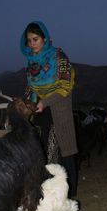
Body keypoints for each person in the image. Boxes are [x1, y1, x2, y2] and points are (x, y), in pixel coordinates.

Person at [20, 21, 78, 198]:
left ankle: (68, 195)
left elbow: (64, 86)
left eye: (35, 39)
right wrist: (26, 105)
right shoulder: (31, 63)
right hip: (41, 112)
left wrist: (44, 102)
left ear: (45, 39)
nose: (32, 44)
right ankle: (49, 194)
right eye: (29, 40)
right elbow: (31, 88)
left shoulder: (58, 56)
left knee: (64, 152)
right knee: (43, 150)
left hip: (59, 109)